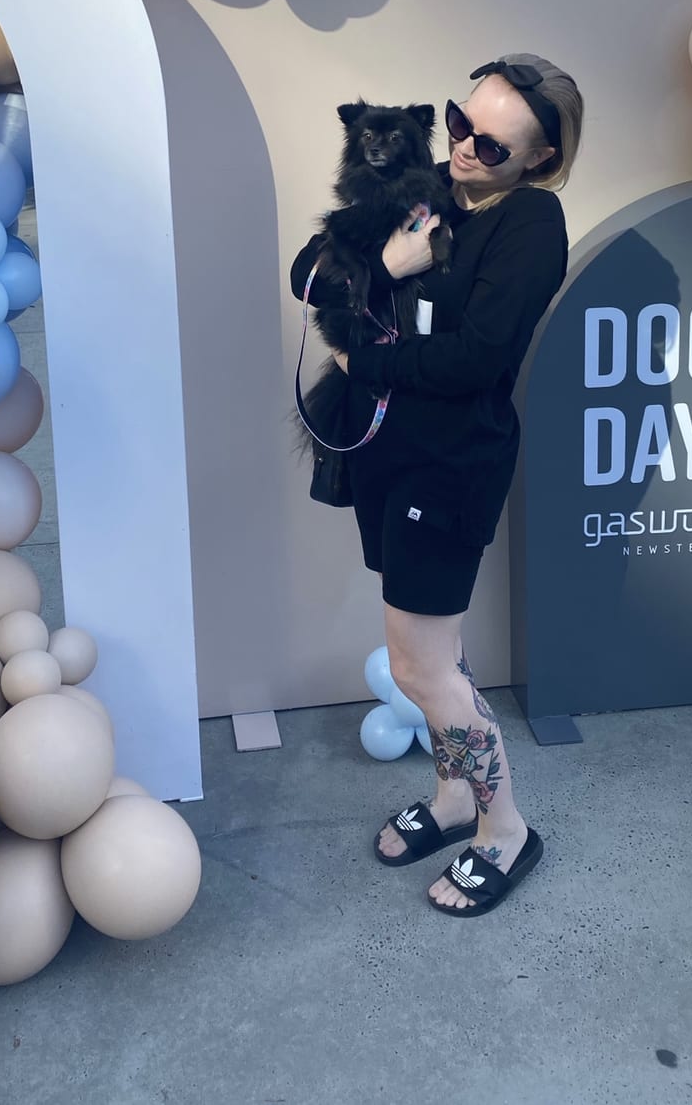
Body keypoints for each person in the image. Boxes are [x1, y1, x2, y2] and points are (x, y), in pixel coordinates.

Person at [290, 55, 583, 918]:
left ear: (536, 158)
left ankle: (506, 828)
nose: (462, 147)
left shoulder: (531, 221)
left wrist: (361, 356)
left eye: (489, 143)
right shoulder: (426, 194)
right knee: (431, 657)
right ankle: (455, 799)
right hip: (388, 455)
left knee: (421, 668)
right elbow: (312, 273)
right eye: (459, 122)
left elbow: (475, 358)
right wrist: (385, 257)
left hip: (450, 463)